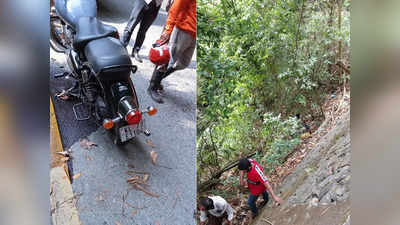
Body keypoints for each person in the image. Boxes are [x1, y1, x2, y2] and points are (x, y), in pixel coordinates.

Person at [147, 0, 196, 103]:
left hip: (194, 34)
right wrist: (168, 29)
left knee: (183, 63)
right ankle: (152, 87)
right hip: (182, 29)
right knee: (166, 59)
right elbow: (175, 8)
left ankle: (158, 79)